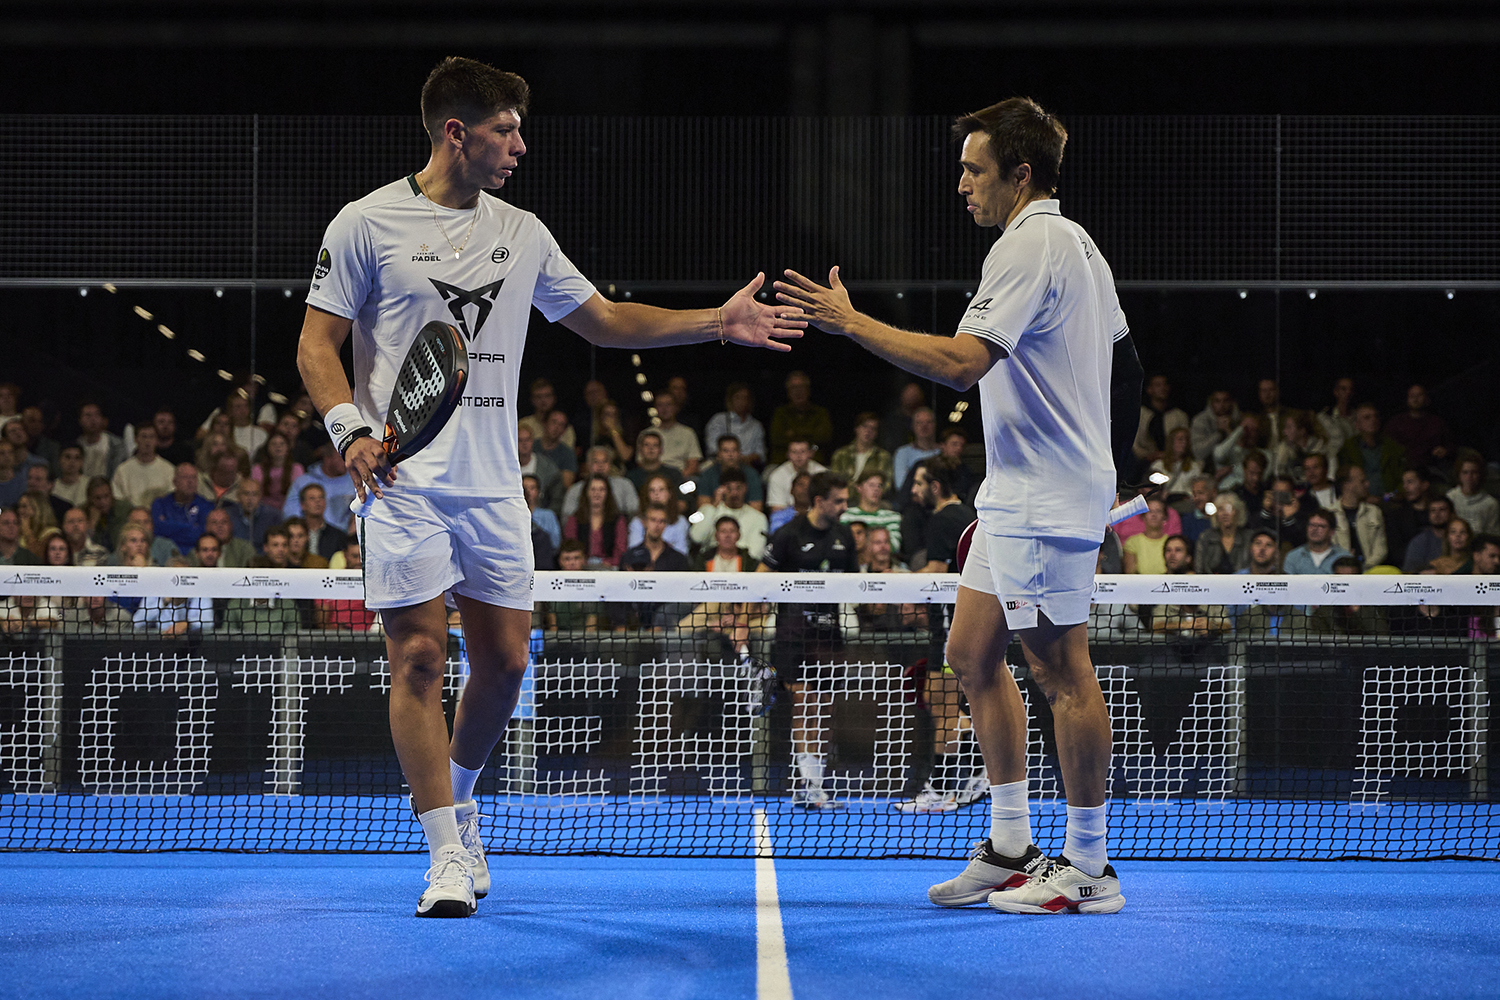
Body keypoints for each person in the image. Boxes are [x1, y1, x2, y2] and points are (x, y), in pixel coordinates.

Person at [296, 55, 799, 919]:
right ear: (457, 132)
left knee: (504, 664)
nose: (521, 146)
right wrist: (349, 429)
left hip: (495, 486)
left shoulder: (523, 233)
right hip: (404, 483)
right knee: (418, 657)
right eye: (506, 130)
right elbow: (317, 344)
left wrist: (718, 321)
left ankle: (459, 802)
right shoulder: (365, 224)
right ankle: (443, 853)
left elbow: (604, 320)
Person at [775, 97, 1129, 912]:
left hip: (1046, 496)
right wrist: (1108, 460)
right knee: (970, 655)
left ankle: (1089, 867)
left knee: (1062, 671)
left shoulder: (1032, 243)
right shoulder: (1074, 245)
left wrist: (852, 324)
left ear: (1021, 175)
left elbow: (962, 364)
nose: (962, 184)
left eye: (975, 170)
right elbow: (1127, 363)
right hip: (1014, 493)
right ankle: (1009, 847)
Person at [757, 472, 859, 810]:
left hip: (829, 635)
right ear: (819, 501)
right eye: (839, 501)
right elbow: (760, 579)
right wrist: (745, 618)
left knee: (825, 709)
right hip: (793, 635)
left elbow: (855, 583)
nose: (844, 507)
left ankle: (817, 782)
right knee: (804, 704)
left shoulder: (845, 535)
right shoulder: (788, 534)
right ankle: (806, 784)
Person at [688, 467, 769, 560]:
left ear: (745, 488)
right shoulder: (708, 510)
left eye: (738, 488)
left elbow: (756, 552)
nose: (734, 493)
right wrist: (715, 505)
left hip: (744, 565)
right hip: (710, 562)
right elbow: (697, 538)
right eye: (729, 488)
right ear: (721, 489)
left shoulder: (758, 517)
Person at [1337, 403, 1407, 497]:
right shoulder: (1348, 449)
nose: (1373, 420)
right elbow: (1343, 482)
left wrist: (1387, 498)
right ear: (1357, 424)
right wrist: (1363, 498)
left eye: (1376, 416)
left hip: (1389, 501)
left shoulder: (1393, 448)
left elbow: (1402, 483)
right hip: (1359, 500)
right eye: (1367, 417)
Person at [1383, 384, 1452, 477]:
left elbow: (1450, 445)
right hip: (1404, 470)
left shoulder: (1436, 422)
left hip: (1431, 469)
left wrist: (1445, 451)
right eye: (1412, 396)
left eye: (1419, 395)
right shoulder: (1396, 423)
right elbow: (1385, 447)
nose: (1415, 399)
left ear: (1426, 399)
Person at [768, 371, 833, 465]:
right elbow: (777, 439)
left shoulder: (820, 413)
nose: (798, 391)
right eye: (794, 388)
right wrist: (809, 434)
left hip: (814, 459)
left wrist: (793, 434)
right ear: (788, 392)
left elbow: (823, 439)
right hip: (784, 460)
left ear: (808, 390)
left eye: (802, 387)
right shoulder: (780, 413)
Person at [1132, 374, 1189, 479]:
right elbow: (1135, 444)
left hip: (1174, 461)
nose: (1162, 388)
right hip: (1144, 462)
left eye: (1165, 385)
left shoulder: (1178, 415)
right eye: (1158, 385)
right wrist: (1150, 455)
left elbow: (1185, 441)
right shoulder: (1140, 414)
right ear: (1149, 389)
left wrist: (1169, 455)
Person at [1332, 465, 1388, 568]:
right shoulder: (1331, 514)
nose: (1367, 484)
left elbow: (1381, 549)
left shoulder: (1374, 512)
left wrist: (1364, 568)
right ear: (1347, 484)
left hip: (1370, 571)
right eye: (1362, 481)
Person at [150, 463, 212, 556]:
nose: (190, 481)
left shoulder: (206, 506)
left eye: (194, 477)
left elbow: (202, 535)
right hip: (166, 555)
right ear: (175, 482)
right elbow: (158, 530)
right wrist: (192, 527)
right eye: (185, 477)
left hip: (196, 556)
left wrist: (170, 526)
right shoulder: (160, 504)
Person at [561, 446, 639, 519]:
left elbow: (634, 511)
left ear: (610, 464)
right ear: (588, 465)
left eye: (604, 461)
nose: (600, 465)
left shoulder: (625, 485)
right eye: (596, 462)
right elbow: (567, 516)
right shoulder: (576, 489)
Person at [110, 424, 176, 508]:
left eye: (151, 437)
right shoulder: (122, 470)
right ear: (136, 440)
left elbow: (172, 498)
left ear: (156, 440)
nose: (147, 441)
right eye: (144, 437)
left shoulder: (168, 469)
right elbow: (118, 499)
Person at [693, 435, 765, 511]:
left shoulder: (751, 474)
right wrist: (717, 501)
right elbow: (703, 510)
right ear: (718, 454)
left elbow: (756, 508)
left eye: (734, 450)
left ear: (740, 453)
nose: (730, 455)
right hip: (716, 516)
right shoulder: (707, 475)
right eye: (725, 451)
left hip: (745, 516)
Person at [282, 446, 356, 520]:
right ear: (327, 459)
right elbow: (290, 513)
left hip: (346, 527)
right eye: (342, 458)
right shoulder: (303, 481)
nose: (347, 462)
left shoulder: (354, 480)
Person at [703, 382, 766, 468]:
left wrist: (742, 458)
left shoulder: (756, 425)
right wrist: (730, 456)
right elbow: (712, 448)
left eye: (745, 398)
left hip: (747, 465)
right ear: (730, 400)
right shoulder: (719, 420)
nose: (742, 401)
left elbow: (761, 454)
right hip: (720, 464)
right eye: (738, 397)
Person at [641, 387, 700, 476]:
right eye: (660, 405)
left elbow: (693, 464)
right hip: (652, 478)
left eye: (668, 404)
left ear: (676, 407)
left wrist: (677, 479)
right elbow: (641, 463)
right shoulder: (645, 434)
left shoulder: (688, 433)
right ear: (655, 408)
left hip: (680, 476)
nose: (664, 409)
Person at [840, 468, 902, 553]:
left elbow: (894, 546)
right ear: (859, 488)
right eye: (871, 485)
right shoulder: (845, 515)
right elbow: (842, 544)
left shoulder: (893, 517)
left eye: (879, 486)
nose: (876, 489)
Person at [626, 473, 690, 555]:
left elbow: (682, 553)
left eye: (661, 490)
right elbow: (634, 552)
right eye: (652, 490)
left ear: (669, 493)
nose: (656, 494)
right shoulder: (637, 521)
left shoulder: (680, 521)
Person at [828, 411, 894, 489]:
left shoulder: (883, 457)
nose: (868, 431)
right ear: (856, 428)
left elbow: (886, 485)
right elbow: (834, 482)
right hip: (844, 495)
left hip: (872, 496)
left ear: (876, 433)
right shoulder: (841, 454)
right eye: (865, 426)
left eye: (873, 428)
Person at [765, 437, 826, 513]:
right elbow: (777, 511)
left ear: (810, 453)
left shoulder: (822, 474)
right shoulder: (777, 476)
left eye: (802, 451)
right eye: (794, 452)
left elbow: (828, 506)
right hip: (789, 518)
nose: (798, 456)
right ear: (788, 454)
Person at [1282, 509, 1351, 575]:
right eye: (1311, 525)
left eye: (1321, 526)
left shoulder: (1343, 556)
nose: (1314, 529)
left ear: (1331, 531)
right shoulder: (1293, 557)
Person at [891, 406, 941, 495]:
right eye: (919, 422)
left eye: (928, 422)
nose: (924, 426)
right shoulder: (902, 453)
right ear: (913, 426)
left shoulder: (942, 452)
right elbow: (901, 485)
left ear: (935, 425)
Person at [515, 423, 563, 514]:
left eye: (527, 440)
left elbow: (557, 499)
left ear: (533, 441)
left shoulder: (548, 467)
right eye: (520, 440)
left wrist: (546, 516)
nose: (524, 444)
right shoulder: (508, 468)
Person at [1447, 455, 1500, 536]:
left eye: (1474, 472)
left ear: (1480, 475)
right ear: (1459, 475)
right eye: (1465, 472)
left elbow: (1493, 534)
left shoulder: (1490, 504)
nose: (1469, 477)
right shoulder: (1450, 497)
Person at [251, 430, 304, 510]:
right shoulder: (257, 469)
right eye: (274, 444)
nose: (278, 447)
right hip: (264, 510)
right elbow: (255, 495)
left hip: (289, 510)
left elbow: (298, 495)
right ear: (268, 448)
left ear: (288, 448)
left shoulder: (297, 468)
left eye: (282, 444)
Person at [224, 477, 280, 551]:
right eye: (246, 494)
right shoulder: (227, 515)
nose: (250, 499)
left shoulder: (273, 516)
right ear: (238, 496)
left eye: (254, 494)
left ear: (260, 496)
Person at [75, 402, 129, 480]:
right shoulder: (76, 446)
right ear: (80, 420)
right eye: (88, 415)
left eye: (96, 415)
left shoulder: (116, 445)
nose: (93, 419)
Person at [296, 483, 350, 560]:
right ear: (302, 505)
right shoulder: (294, 533)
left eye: (321, 497)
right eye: (312, 498)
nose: (317, 501)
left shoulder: (338, 536)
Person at [1403, 494, 1454, 574]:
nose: (1437, 514)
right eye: (1433, 510)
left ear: (1451, 513)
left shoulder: (1460, 538)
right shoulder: (1419, 542)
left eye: (1442, 510)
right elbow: (1409, 573)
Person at [1189, 389, 1239, 470]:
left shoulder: (1239, 420)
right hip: (1207, 469)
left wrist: (1228, 430)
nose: (1222, 405)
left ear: (1231, 402)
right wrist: (1219, 433)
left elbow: (1241, 453)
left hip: (1235, 468)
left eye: (1225, 401)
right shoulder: (1200, 421)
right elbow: (1198, 453)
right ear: (1211, 403)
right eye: (1217, 401)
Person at [1148, 426, 1200, 500]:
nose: (1184, 443)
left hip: (1185, 501)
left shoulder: (1194, 467)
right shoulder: (1158, 466)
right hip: (1166, 501)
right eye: (1180, 439)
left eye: (1186, 440)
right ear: (1171, 441)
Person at [625, 430, 684, 497]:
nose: (651, 448)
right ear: (640, 449)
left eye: (655, 445)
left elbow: (682, 501)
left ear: (661, 450)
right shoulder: (631, 477)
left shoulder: (674, 474)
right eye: (646, 445)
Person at [1121, 497, 1169, 574]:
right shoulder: (1132, 542)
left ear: (1165, 517)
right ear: (1143, 516)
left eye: (1158, 511)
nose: (1154, 515)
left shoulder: (1171, 542)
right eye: (1150, 511)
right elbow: (1130, 573)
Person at [536, 409, 579, 494]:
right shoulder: (532, 447)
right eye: (553, 422)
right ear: (544, 423)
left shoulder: (568, 454)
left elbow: (566, 486)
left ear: (564, 430)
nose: (556, 428)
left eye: (561, 425)